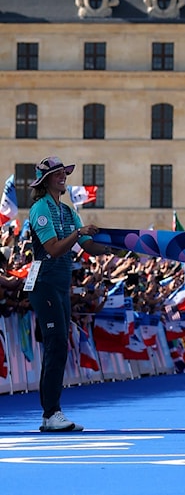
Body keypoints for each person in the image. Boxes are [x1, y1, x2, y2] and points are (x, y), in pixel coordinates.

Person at [27, 156, 112, 432]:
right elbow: (53, 248)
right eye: (58, 174)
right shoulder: (40, 208)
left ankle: (49, 414)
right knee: (56, 346)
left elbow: (88, 245)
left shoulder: (67, 211)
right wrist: (78, 234)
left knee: (58, 346)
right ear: (46, 180)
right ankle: (51, 413)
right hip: (45, 284)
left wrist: (117, 246)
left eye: (64, 173)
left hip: (60, 285)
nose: (63, 176)